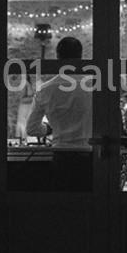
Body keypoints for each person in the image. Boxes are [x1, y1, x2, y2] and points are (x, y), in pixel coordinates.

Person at [25, 36, 93, 189]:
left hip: (61, 156)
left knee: (63, 202)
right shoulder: (94, 86)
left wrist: (48, 128)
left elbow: (31, 129)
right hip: (90, 154)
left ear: (57, 57)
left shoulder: (45, 89)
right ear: (81, 57)